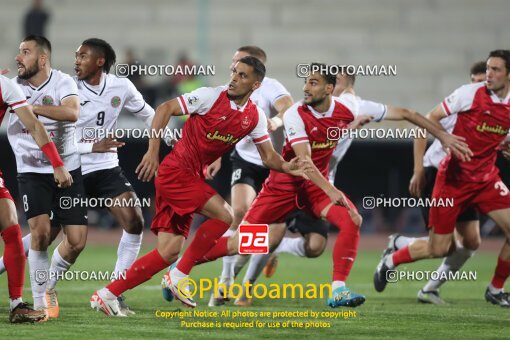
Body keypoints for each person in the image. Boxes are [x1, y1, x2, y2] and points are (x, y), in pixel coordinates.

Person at [90, 56, 306, 316]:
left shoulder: (257, 113)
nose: (234, 78)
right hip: (178, 173)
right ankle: (194, 276)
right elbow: (164, 109)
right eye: (234, 71)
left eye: (242, 74)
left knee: (170, 251)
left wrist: (288, 166)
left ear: (256, 84)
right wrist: (153, 151)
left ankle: (108, 294)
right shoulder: (211, 96)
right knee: (232, 218)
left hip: (199, 180)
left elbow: (271, 155)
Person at [374, 50, 510, 309]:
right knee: (440, 247)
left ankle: (496, 288)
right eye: (488, 69)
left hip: (485, 180)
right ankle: (392, 259)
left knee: (471, 242)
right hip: (451, 180)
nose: (489, 75)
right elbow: (428, 119)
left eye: (496, 70)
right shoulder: (468, 94)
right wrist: (443, 141)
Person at [7, 35, 87, 320]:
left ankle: (48, 285)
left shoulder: (63, 81)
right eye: (19, 52)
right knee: (40, 233)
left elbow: (72, 112)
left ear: (42, 59)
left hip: (68, 167)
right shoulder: (12, 86)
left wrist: (28, 108)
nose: (18, 57)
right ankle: (40, 302)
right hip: (31, 169)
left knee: (76, 241)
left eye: (25, 52)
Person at [0, 73, 71, 323]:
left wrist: (56, 163)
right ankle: (17, 304)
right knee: (11, 231)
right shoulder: (5, 85)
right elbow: (34, 125)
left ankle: (17, 305)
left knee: (11, 228)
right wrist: (58, 163)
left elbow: (34, 125)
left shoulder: (5, 85)